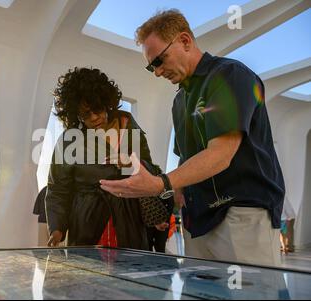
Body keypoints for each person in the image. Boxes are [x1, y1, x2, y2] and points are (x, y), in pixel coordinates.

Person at [100, 10, 285, 266]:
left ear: (185, 41)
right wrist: (165, 196)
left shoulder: (229, 76)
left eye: (159, 60)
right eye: (151, 65)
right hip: (196, 220)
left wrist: (159, 183)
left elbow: (220, 154)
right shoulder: (180, 100)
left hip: (240, 215)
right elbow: (187, 159)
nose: (156, 72)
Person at [45, 67, 164, 250]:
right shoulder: (69, 140)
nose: (93, 118)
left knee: (131, 275)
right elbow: (58, 189)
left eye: (97, 109)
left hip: (130, 224)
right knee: (88, 277)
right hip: (87, 224)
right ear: (75, 114)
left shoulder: (133, 131)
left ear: (107, 102)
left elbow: (152, 173)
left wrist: (134, 164)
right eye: (85, 114)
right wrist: (57, 228)